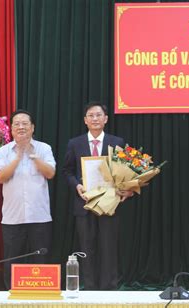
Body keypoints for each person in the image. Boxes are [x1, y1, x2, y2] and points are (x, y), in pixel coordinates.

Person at [63, 101, 133, 290]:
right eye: (91, 115)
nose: (95, 118)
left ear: (106, 119)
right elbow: (67, 171)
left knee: (109, 248)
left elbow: (125, 171)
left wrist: (128, 189)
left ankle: (109, 289)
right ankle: (90, 289)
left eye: (98, 115)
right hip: (84, 204)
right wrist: (77, 185)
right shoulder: (75, 143)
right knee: (86, 249)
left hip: (109, 204)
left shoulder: (116, 142)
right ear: (85, 120)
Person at [0, 110, 56, 289]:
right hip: (13, 217)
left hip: (40, 215)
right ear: (11, 129)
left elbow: (50, 173)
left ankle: (42, 295)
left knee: (41, 259)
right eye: (16, 124)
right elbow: (0, 177)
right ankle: (11, 295)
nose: (21, 127)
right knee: (12, 260)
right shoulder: (4, 151)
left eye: (25, 123)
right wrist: (18, 158)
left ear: (32, 127)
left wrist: (32, 155)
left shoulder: (44, 148)